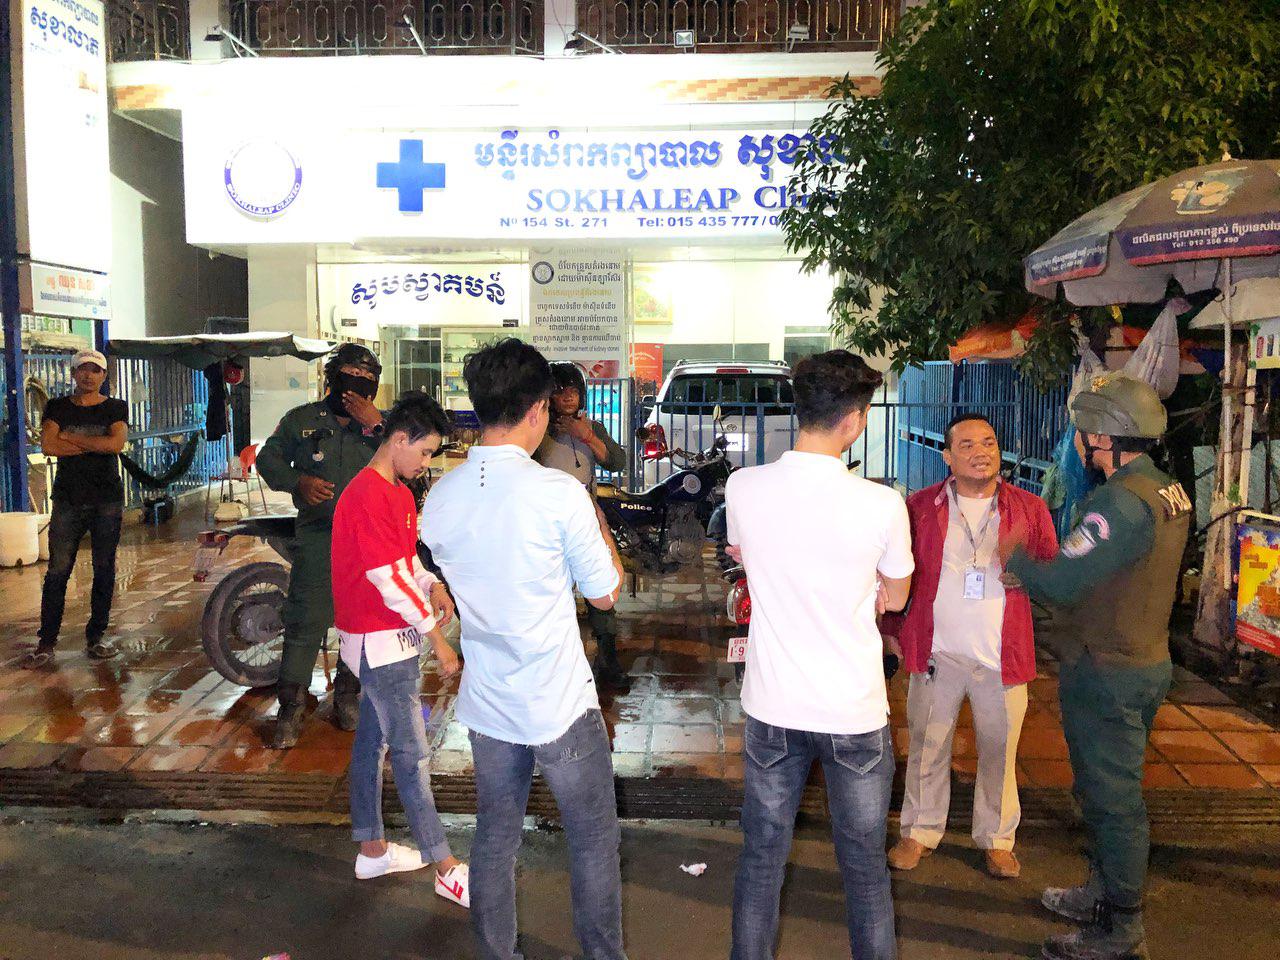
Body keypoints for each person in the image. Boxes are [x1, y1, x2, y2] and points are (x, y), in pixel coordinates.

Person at [420, 338, 626, 960]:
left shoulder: (440, 498)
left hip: (487, 703)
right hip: (559, 702)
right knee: (592, 840)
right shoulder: (559, 493)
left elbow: (448, 573)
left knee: (495, 837)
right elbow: (606, 594)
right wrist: (600, 529)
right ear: (538, 410)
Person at [725, 350, 913, 960]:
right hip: (854, 712)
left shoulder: (743, 487)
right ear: (854, 420)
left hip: (773, 708)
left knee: (761, 861)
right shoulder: (883, 504)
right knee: (865, 871)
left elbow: (745, 556)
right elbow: (897, 595)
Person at [1002, 374, 1191, 960]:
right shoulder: (1167, 490)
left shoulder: (1118, 503)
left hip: (1108, 671)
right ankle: (1101, 893)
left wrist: (1015, 558)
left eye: (1082, 433)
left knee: (1113, 801)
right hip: (1140, 659)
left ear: (1104, 438)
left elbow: (1063, 581)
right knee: (1101, 789)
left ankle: (1121, 927)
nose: (1077, 442)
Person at [883, 413, 1058, 880]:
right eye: (967, 445)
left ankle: (997, 839)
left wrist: (1028, 574)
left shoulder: (1029, 508)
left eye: (989, 443)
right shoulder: (919, 507)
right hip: (937, 654)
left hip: (1002, 658)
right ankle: (919, 832)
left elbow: (1051, 570)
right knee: (926, 747)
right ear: (947, 456)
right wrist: (893, 630)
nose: (981, 452)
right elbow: (898, 571)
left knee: (1000, 751)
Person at [331, 392, 470, 907]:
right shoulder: (367, 495)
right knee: (411, 755)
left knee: (373, 743)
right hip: (379, 642)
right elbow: (387, 580)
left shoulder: (397, 494)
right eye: (425, 451)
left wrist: (434, 584)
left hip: (385, 640)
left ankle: (372, 850)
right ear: (398, 439)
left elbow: (406, 562)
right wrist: (438, 641)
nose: (426, 462)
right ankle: (445, 867)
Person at [256, 343, 386, 749]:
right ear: (333, 378)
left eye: (366, 378)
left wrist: (378, 425)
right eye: (350, 375)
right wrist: (298, 482)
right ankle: (291, 708)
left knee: (360, 623)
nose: (357, 383)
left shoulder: (384, 427)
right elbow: (268, 459)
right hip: (319, 538)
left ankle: (348, 696)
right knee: (305, 620)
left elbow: (410, 464)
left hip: (367, 544)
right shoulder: (302, 420)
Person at [24, 349, 129, 669]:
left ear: (104, 376)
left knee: (104, 568)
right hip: (68, 499)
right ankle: (47, 641)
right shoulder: (57, 406)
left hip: (106, 499)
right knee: (58, 569)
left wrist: (71, 437)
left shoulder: (115, 407)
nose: (88, 375)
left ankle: (96, 636)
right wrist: (94, 444)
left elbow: (115, 445)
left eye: (95, 370)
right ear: (73, 374)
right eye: (82, 369)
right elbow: (49, 445)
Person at [534, 361, 630, 688]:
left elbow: (617, 462)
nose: (568, 397)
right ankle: (553, 665)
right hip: (546, 524)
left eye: (573, 391)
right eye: (560, 391)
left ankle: (608, 661)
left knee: (598, 585)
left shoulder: (592, 428)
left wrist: (586, 435)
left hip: (585, 519)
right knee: (551, 594)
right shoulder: (538, 430)